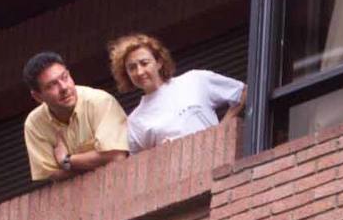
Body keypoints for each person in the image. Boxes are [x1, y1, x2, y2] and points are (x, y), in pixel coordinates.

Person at [107, 33, 246, 154]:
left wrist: (221, 130)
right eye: (132, 68)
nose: (140, 72)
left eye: (144, 63)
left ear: (159, 62)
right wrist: (157, 154)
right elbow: (137, 166)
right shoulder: (135, 121)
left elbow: (242, 92)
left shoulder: (195, 80)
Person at [22, 51, 129, 182]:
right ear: (38, 97)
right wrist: (97, 160)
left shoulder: (100, 101)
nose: (64, 87)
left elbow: (117, 156)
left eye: (65, 77)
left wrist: (66, 160)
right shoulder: (34, 124)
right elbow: (54, 175)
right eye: (52, 85)